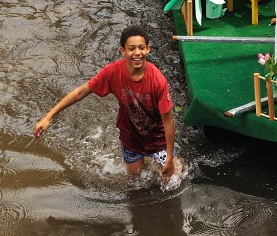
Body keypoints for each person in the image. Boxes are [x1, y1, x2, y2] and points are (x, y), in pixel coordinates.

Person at [33, 26, 175, 178]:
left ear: (148, 49)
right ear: (123, 51)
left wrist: (170, 159)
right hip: (131, 137)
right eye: (131, 48)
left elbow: (168, 122)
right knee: (136, 182)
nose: (137, 53)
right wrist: (49, 116)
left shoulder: (158, 82)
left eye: (141, 48)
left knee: (172, 179)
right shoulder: (112, 72)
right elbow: (81, 92)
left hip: (157, 139)